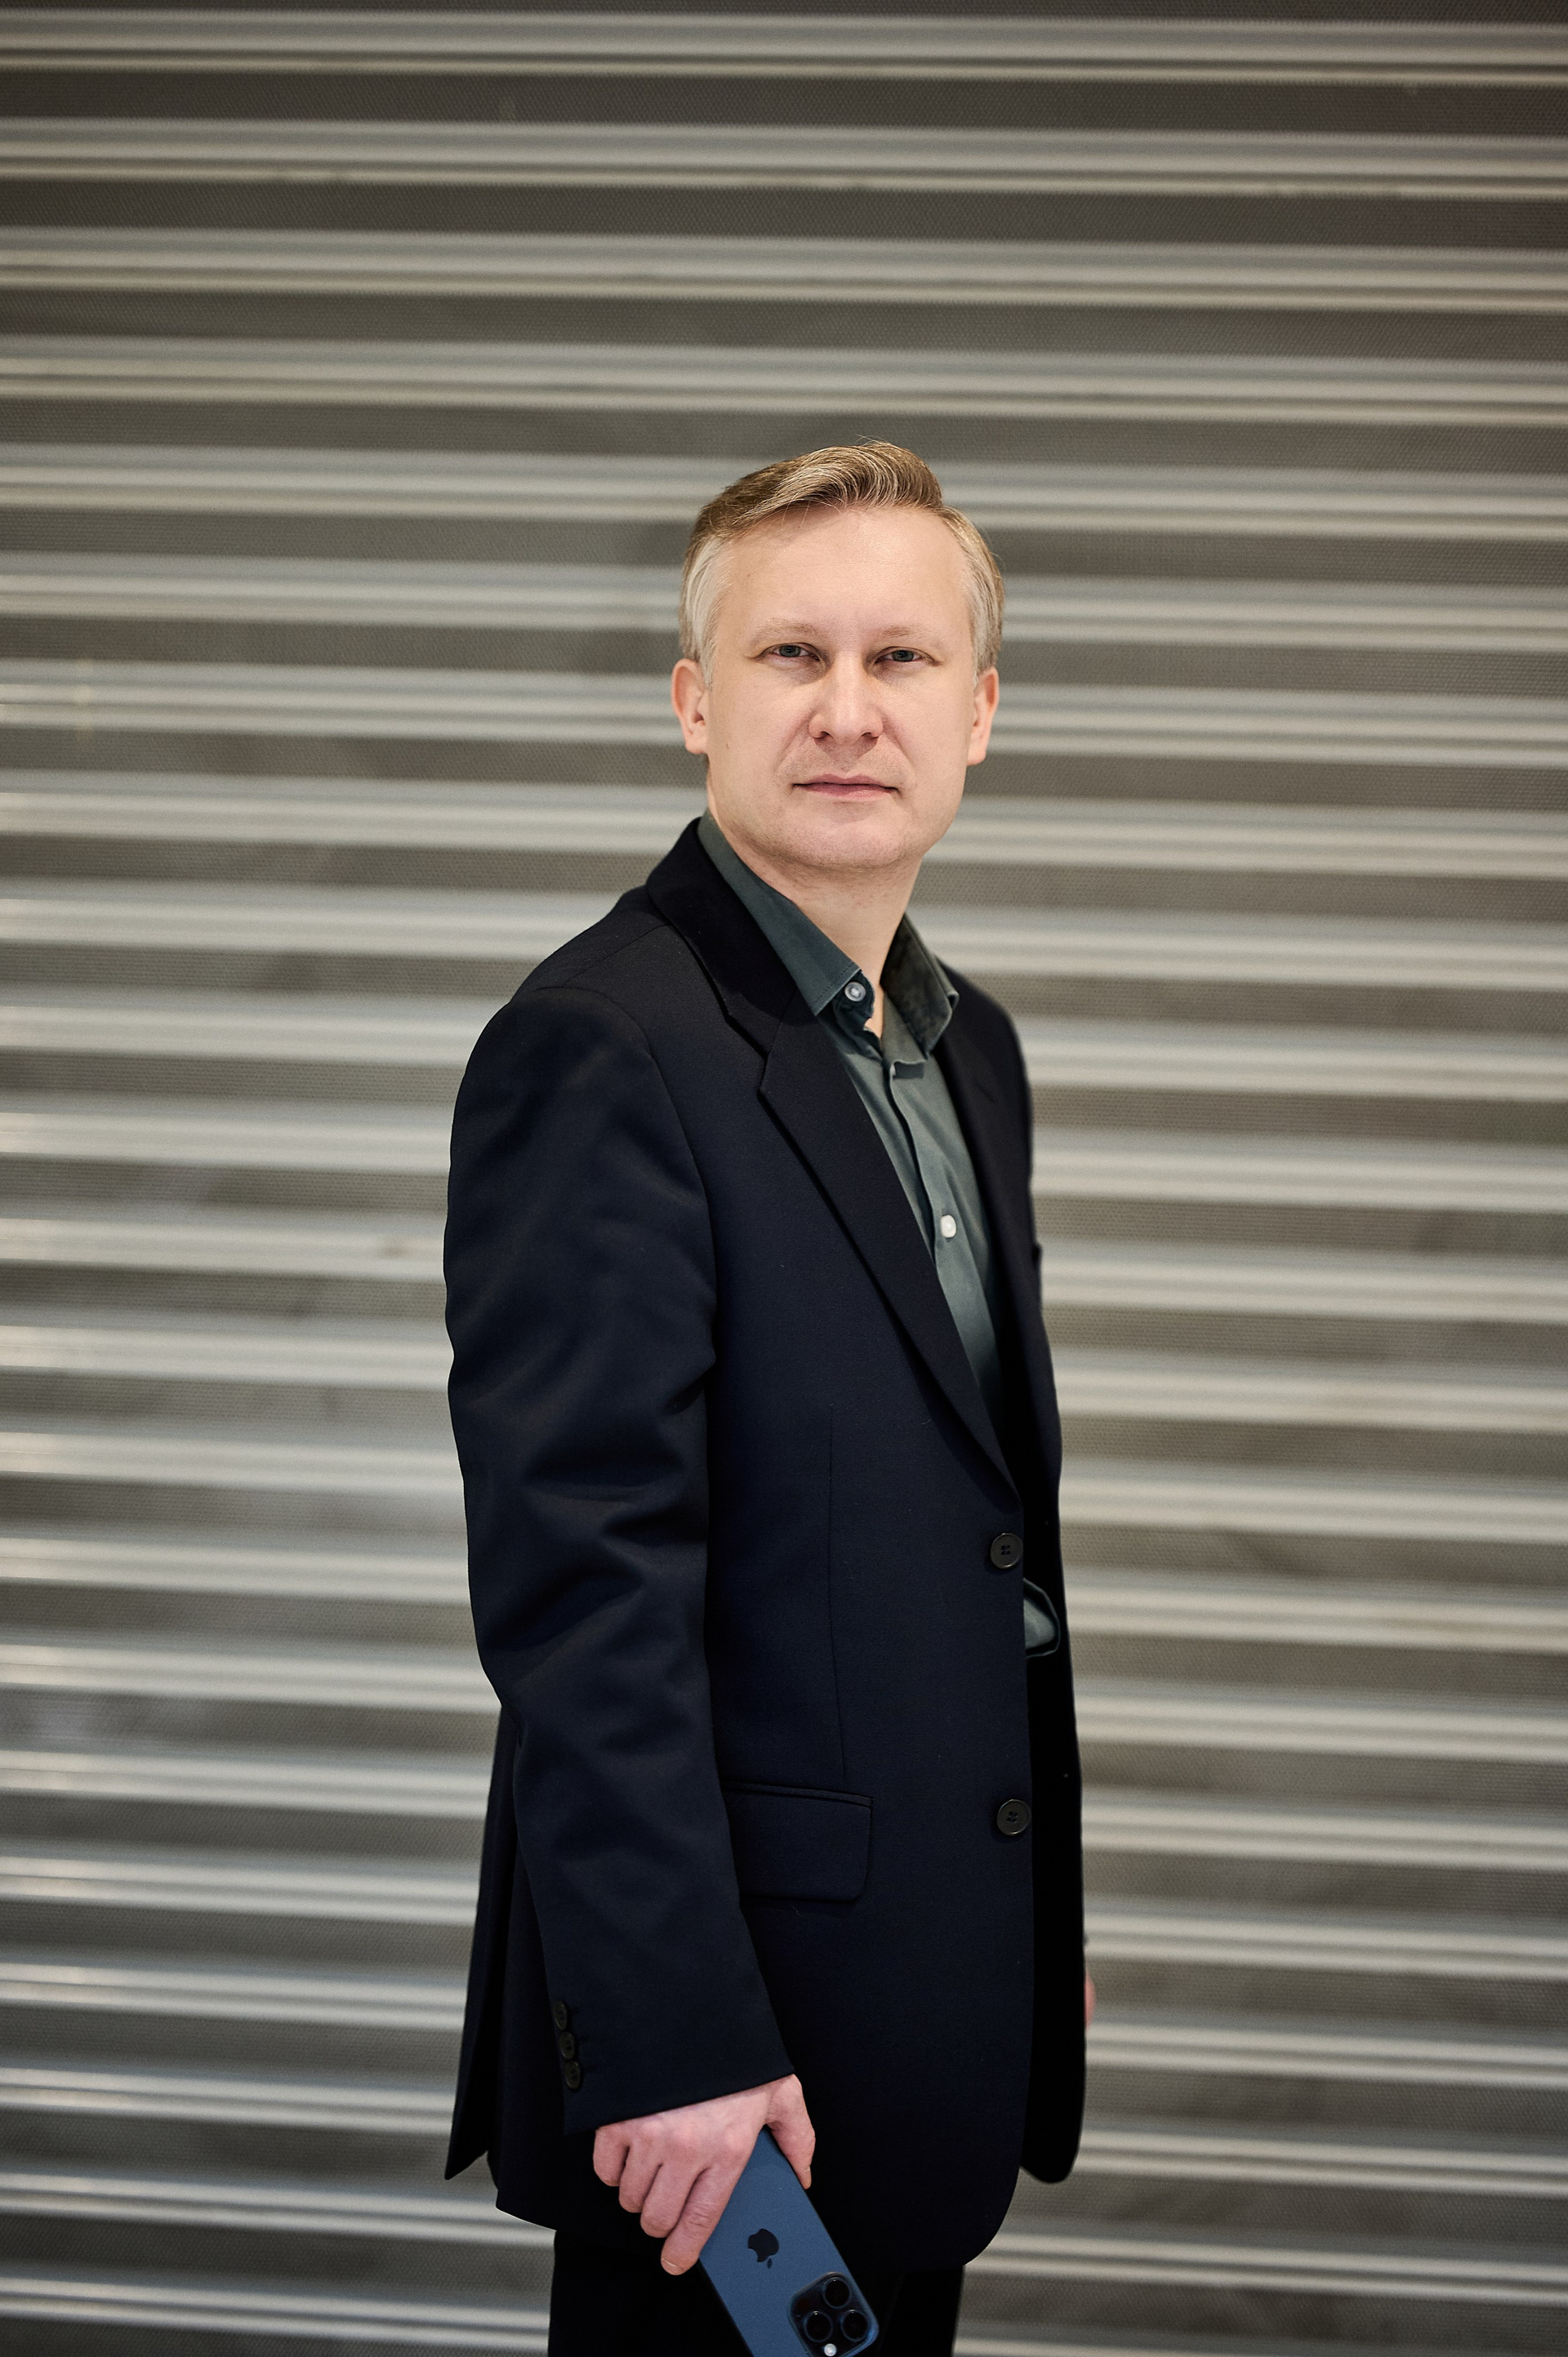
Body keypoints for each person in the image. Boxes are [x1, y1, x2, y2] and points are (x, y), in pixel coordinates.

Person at [443, 442, 1087, 2355]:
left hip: (927, 2006)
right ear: (694, 701)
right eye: (791, 652)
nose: (846, 708)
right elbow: (584, 1599)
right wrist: (676, 2042)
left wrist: (1014, 1932)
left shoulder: (967, 1055)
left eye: (902, 658)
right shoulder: (603, 1046)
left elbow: (970, 1530)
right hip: (731, 2087)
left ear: (980, 711)